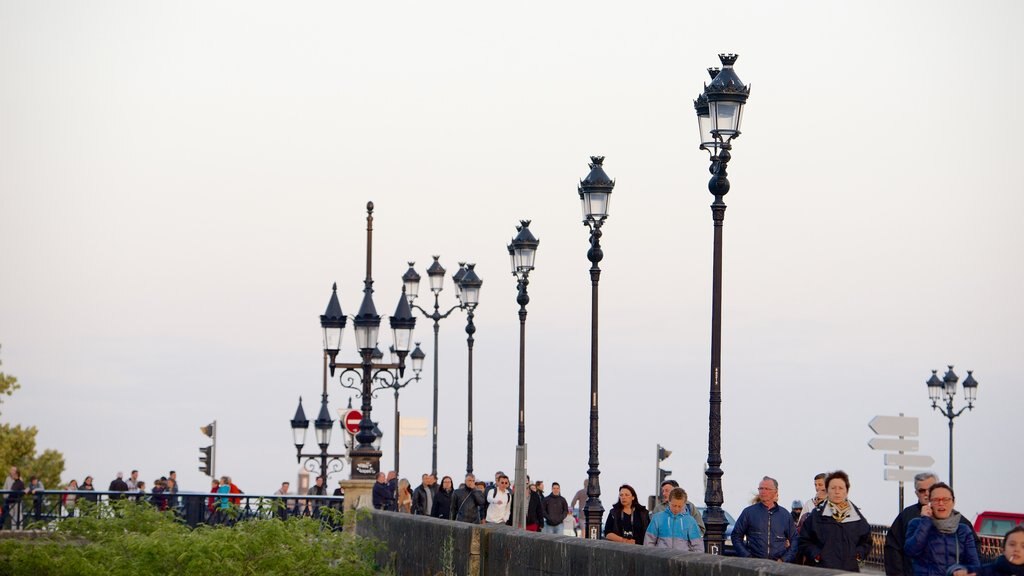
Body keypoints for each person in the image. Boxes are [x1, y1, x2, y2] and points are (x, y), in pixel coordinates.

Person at [798, 470, 872, 571]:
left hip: (849, 571)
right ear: (828, 490)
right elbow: (804, 540)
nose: (837, 492)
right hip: (823, 570)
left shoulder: (856, 516)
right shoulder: (817, 515)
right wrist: (816, 555)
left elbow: (866, 541)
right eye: (833, 488)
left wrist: (858, 554)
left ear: (846, 491)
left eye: (841, 488)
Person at [905, 483, 979, 576]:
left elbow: (974, 565)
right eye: (936, 500)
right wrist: (926, 521)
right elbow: (911, 551)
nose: (941, 503)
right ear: (929, 503)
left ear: (953, 502)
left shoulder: (963, 530)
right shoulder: (916, 524)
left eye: (946, 499)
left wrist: (960, 571)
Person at [887, 472, 943, 576]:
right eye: (922, 491)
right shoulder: (906, 516)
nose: (926, 493)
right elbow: (893, 549)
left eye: (930, 489)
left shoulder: (951, 516)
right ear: (916, 493)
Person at [732, 476, 798, 562]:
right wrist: (747, 557)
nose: (763, 491)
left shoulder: (785, 515)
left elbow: (795, 539)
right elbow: (736, 536)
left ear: (775, 491)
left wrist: (784, 559)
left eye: (767, 489)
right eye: (761, 488)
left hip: (777, 566)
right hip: (754, 565)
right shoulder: (749, 512)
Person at [644, 487, 703, 551]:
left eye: (680, 506)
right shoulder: (657, 518)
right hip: (661, 558)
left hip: (682, 559)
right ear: (669, 502)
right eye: (674, 505)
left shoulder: (690, 521)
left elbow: (698, 547)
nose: (676, 509)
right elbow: (648, 542)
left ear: (684, 504)